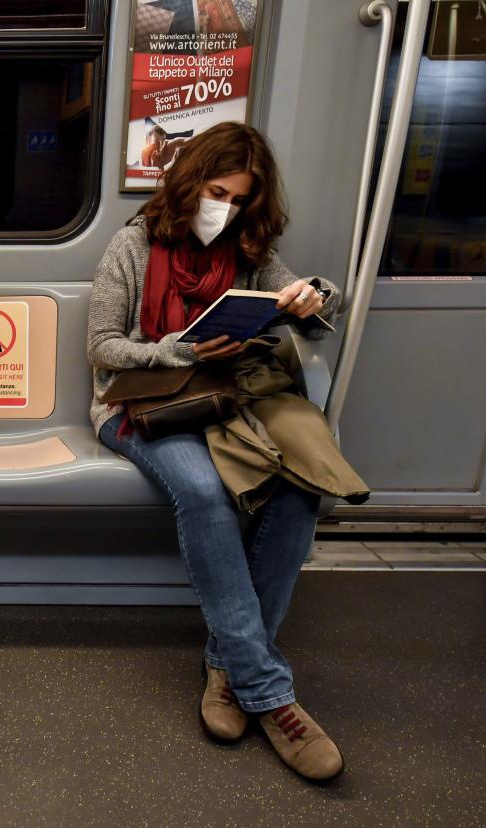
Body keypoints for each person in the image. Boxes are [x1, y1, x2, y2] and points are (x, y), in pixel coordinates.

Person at [87, 121, 345, 781]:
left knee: (297, 487)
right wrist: (182, 349)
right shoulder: (133, 244)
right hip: (144, 404)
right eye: (216, 191)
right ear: (190, 180)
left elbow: (307, 300)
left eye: (238, 199)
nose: (224, 208)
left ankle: (228, 667)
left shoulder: (250, 249)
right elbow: (104, 348)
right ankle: (270, 693)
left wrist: (315, 294)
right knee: (203, 492)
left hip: (229, 404)